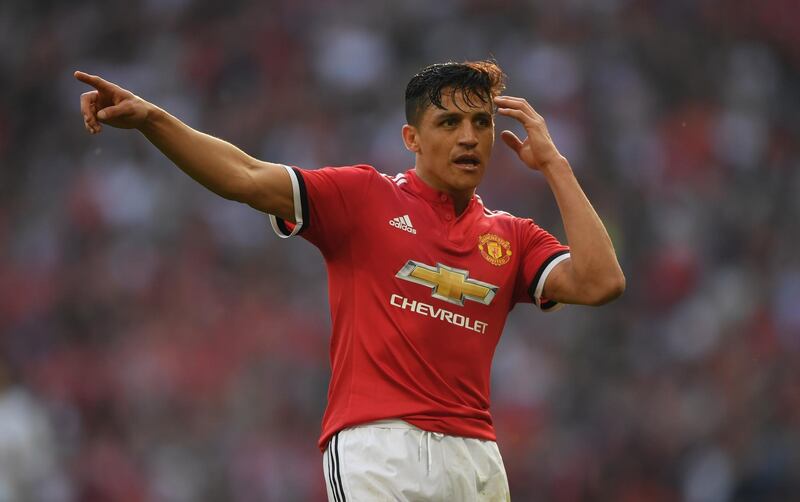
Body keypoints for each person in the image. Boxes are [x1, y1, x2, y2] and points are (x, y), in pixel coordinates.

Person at [75, 60, 624, 501]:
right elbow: (244, 176)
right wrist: (152, 120)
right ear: (411, 136)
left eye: (482, 123)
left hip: (477, 459)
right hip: (379, 448)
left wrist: (553, 162)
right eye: (449, 123)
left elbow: (601, 282)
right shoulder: (364, 198)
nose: (470, 138)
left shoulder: (513, 237)